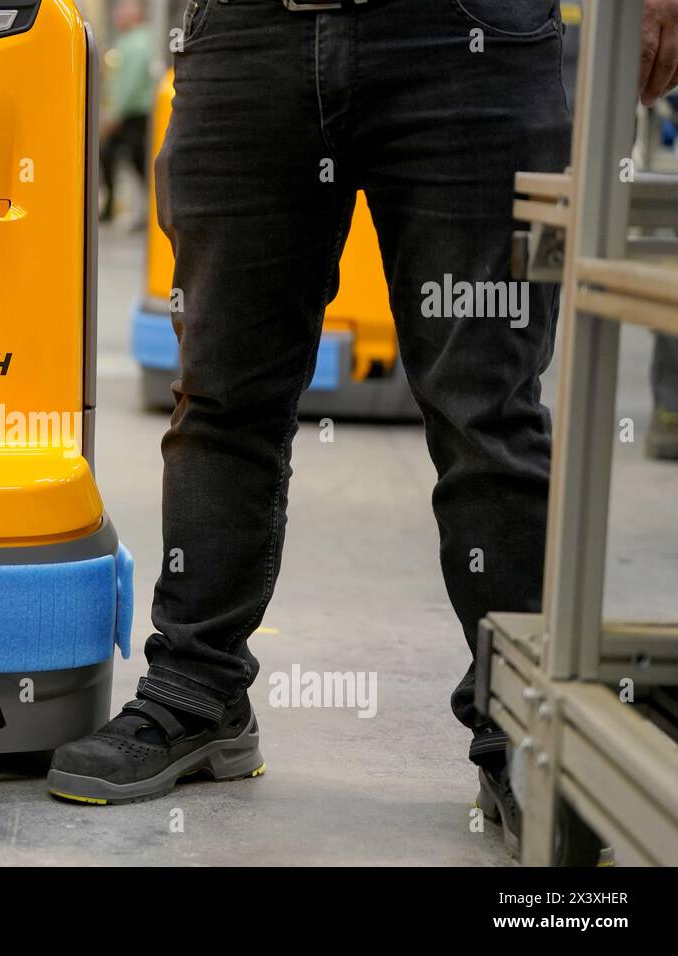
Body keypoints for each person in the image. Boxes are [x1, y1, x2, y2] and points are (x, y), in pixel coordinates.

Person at [49, 0, 678, 851]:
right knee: (221, 394)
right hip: (246, 33)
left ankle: (522, 723)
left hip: (470, 32)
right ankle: (197, 692)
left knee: (485, 406)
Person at [99, 0, 155, 223]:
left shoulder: (136, 44)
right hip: (132, 114)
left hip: (133, 114)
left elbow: (127, 84)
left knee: (128, 159)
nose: (117, 17)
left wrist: (114, 114)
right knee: (129, 159)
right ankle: (123, 207)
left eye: (121, 13)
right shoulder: (134, 41)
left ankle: (135, 209)